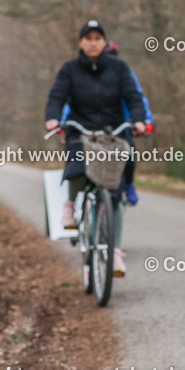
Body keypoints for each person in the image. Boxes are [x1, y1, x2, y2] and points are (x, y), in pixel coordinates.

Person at [45, 20, 145, 276]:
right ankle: (70, 205)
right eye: (88, 38)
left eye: (98, 38)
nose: (93, 42)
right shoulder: (69, 70)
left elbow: (133, 96)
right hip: (81, 129)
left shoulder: (119, 67)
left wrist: (138, 120)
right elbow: (57, 96)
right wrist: (53, 118)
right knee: (78, 163)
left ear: (104, 42)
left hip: (112, 131)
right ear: (81, 42)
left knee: (115, 194)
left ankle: (114, 253)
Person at [60, 41, 153, 205]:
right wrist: (64, 124)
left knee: (128, 153)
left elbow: (138, 98)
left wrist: (145, 120)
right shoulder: (84, 75)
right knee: (80, 158)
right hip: (92, 126)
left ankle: (129, 185)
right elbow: (72, 103)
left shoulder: (124, 73)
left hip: (121, 123)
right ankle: (75, 202)